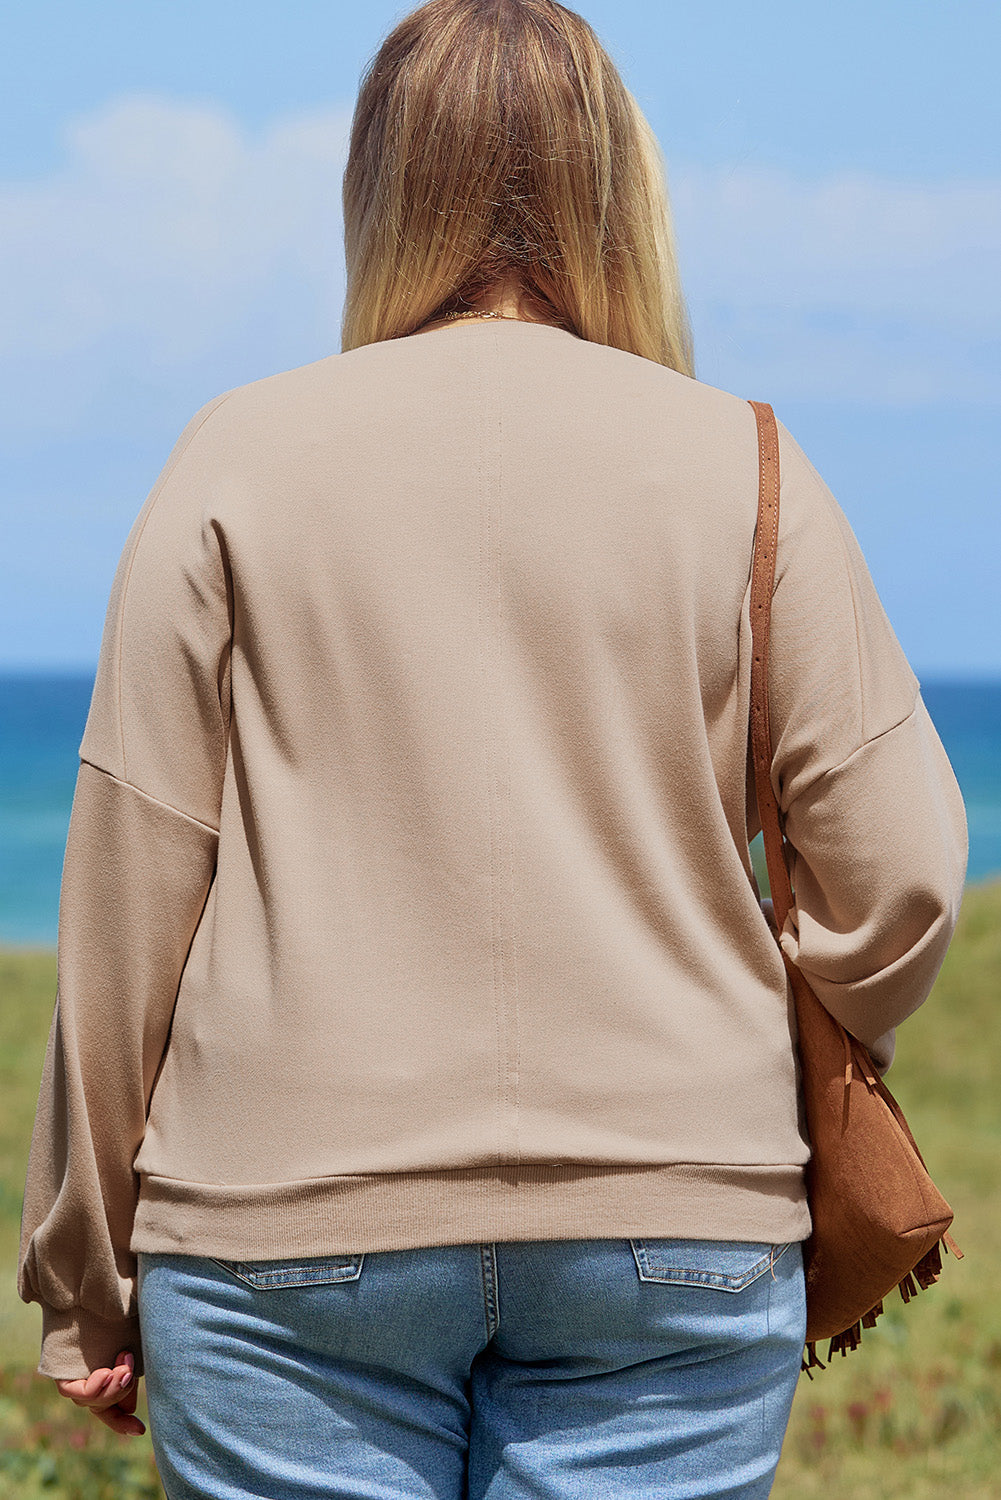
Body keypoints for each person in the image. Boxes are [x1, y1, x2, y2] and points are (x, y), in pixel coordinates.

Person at [18, 1, 968, 1496]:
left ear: (377, 189)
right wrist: (773, 1018)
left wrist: (83, 1272)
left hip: (281, 1226)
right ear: (619, 192)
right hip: (676, 1226)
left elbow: (129, 887)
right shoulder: (746, 464)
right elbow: (900, 873)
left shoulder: (234, 457)